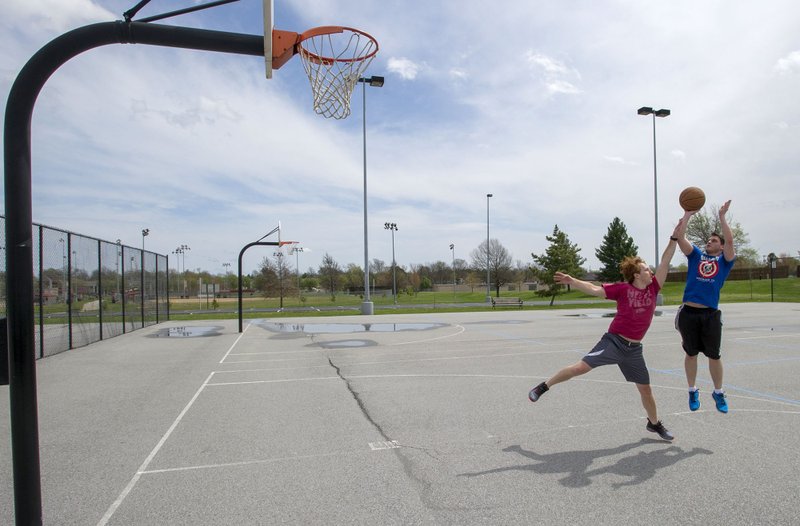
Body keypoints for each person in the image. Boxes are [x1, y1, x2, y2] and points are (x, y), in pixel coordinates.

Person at [528, 221, 684, 441]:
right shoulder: (622, 289)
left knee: (645, 389)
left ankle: (654, 424)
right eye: (646, 269)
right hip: (614, 342)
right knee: (580, 367)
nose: (650, 271)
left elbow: (666, 260)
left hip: (634, 349)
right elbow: (593, 289)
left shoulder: (653, 287)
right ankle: (544, 387)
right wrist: (573, 281)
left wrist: (675, 238)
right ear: (636, 275)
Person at [672, 200, 736, 413]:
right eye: (708, 240)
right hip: (689, 312)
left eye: (714, 240)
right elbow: (680, 237)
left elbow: (730, 239)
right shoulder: (696, 255)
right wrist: (687, 214)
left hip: (710, 314)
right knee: (691, 354)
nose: (710, 242)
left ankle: (718, 392)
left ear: (721, 245)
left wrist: (722, 217)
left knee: (714, 355)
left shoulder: (725, 261)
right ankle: (692, 390)